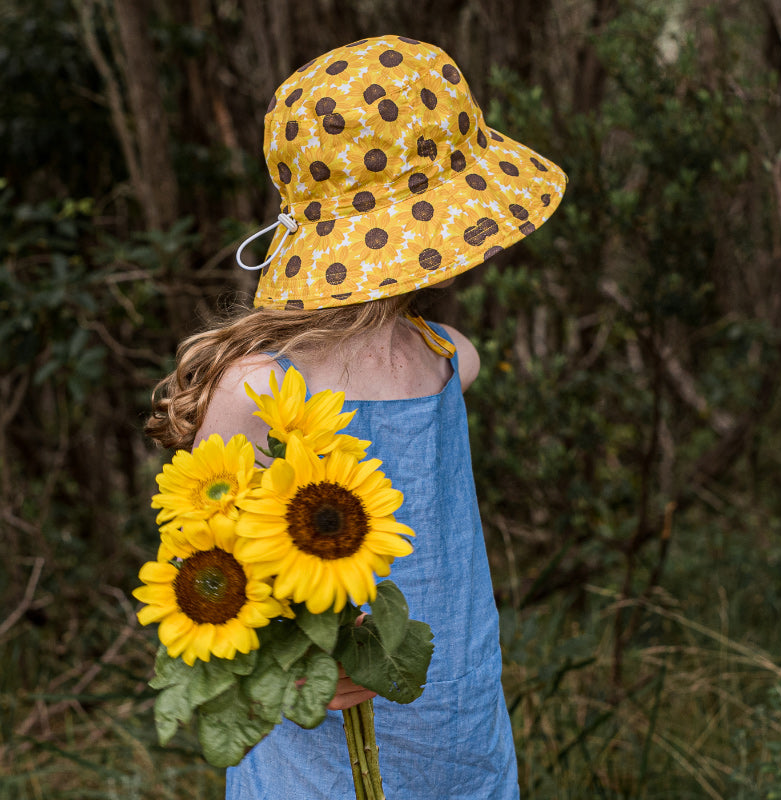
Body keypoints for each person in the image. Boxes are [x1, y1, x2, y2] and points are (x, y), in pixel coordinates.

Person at [145, 34, 566, 800]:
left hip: (456, 710)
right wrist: (291, 653)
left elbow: (456, 368)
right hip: (318, 729)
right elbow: (195, 571)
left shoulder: (439, 356)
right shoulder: (259, 388)